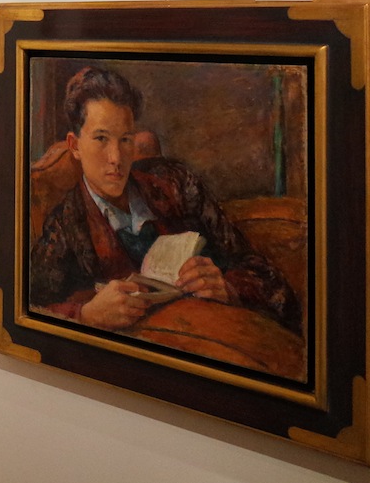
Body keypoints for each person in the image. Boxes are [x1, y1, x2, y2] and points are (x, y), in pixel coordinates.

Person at [29, 66, 300, 333]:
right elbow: (29, 307)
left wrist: (228, 287)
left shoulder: (176, 185)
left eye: (125, 140)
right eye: (101, 138)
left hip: (226, 334)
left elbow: (267, 279)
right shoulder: (65, 227)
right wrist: (85, 315)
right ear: (75, 145)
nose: (116, 158)